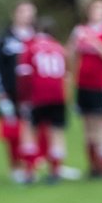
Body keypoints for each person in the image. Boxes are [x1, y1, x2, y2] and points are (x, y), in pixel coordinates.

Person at [68, 0, 102, 178]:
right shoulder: (79, 31)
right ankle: (92, 164)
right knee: (87, 124)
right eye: (95, 8)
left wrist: (99, 46)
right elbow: (70, 55)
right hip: (83, 84)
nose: (97, 11)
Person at [0, 0, 36, 184]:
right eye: (23, 11)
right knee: (12, 132)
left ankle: (30, 167)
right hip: (10, 93)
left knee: (33, 130)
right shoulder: (2, 39)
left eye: (30, 12)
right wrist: (0, 94)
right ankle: (15, 167)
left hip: (32, 94)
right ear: (15, 14)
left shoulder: (37, 38)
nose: (28, 15)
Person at [17, 19, 70, 183]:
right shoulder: (59, 48)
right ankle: (55, 170)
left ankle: (30, 172)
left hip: (37, 95)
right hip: (58, 96)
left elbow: (24, 75)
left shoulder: (30, 48)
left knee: (29, 131)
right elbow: (66, 74)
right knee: (56, 132)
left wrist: (23, 97)